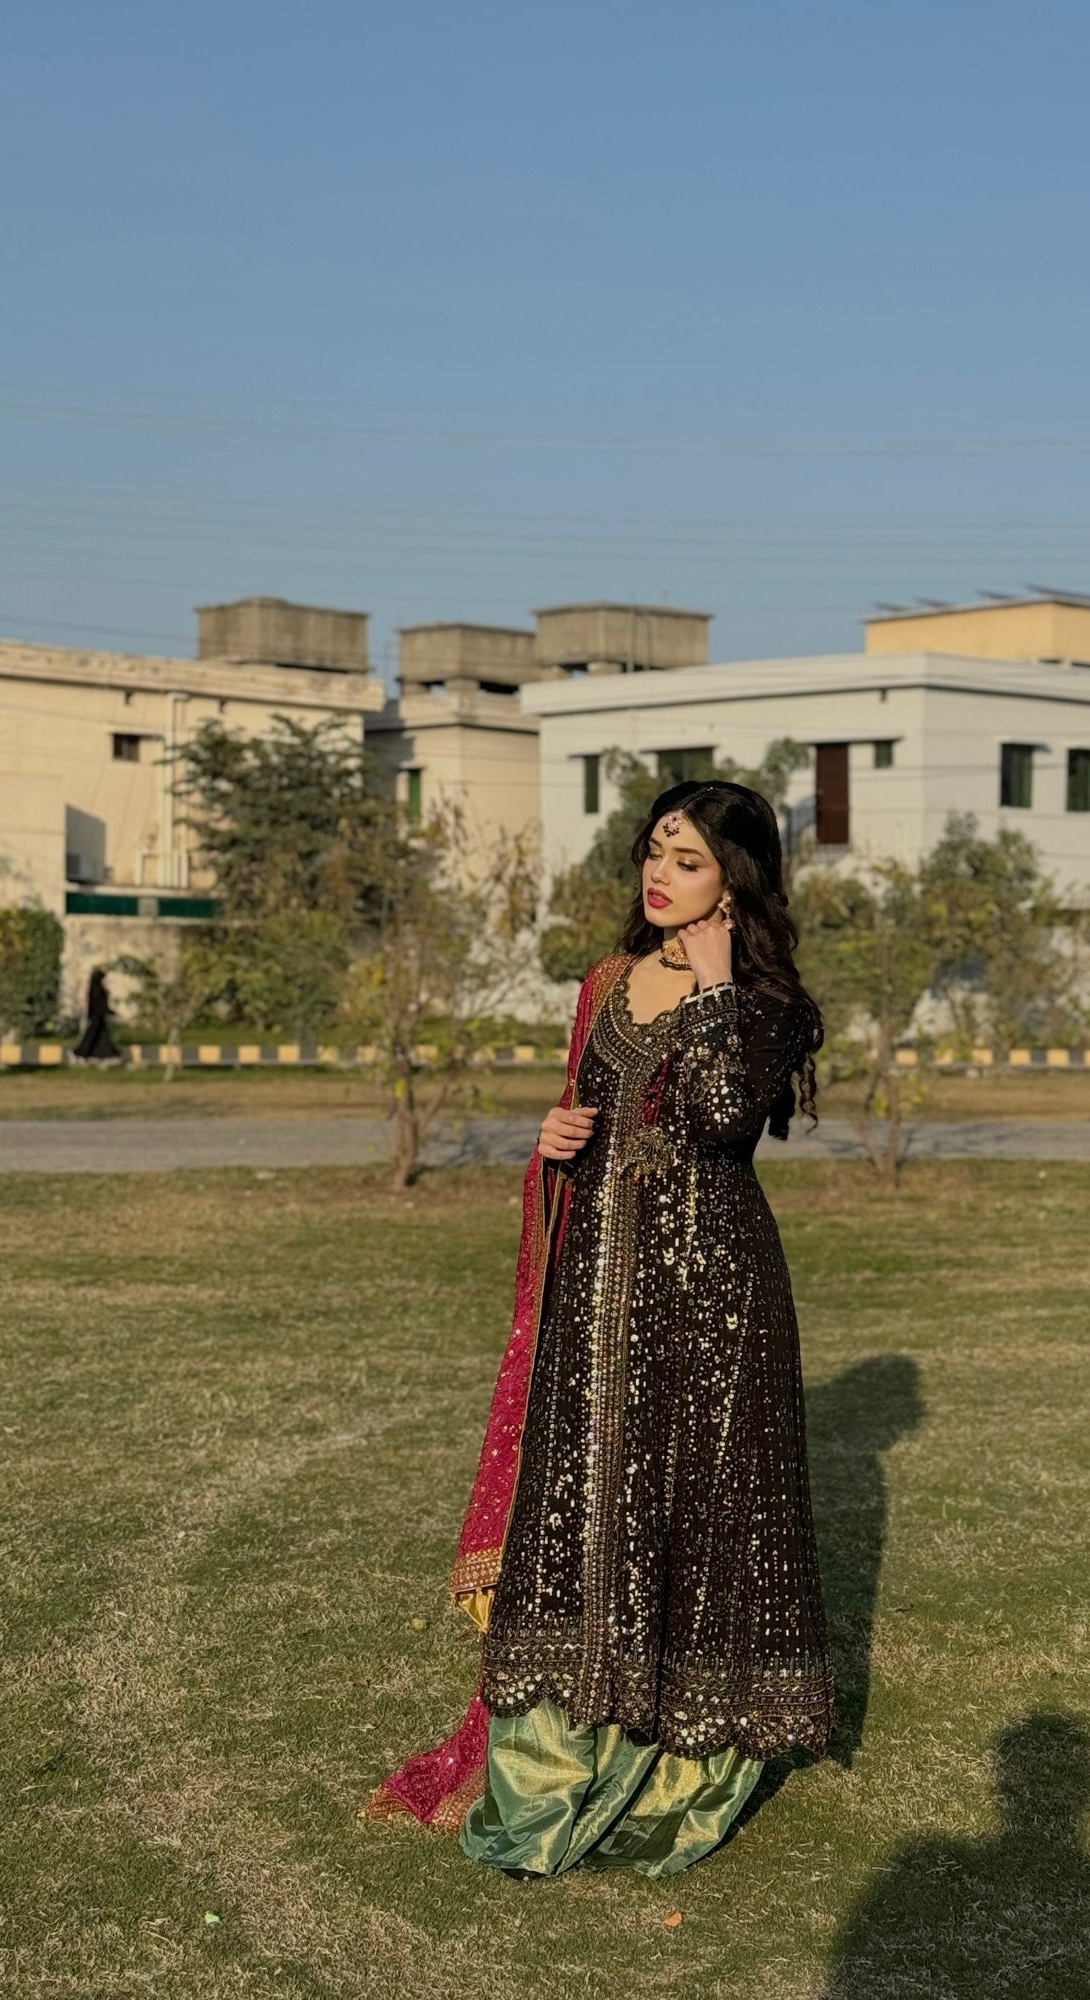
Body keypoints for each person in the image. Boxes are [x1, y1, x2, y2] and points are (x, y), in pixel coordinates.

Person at [362, 779, 833, 1878]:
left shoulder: (768, 1001)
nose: (660, 875)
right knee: (583, 1500)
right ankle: (555, 1757)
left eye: (689, 860)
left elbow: (720, 1117)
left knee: (698, 1512)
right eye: (654, 852)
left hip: (715, 1300)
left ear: (735, 881)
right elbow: (594, 1112)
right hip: (597, 1290)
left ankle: (682, 1767)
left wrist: (716, 987)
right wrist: (554, 1136)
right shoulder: (608, 983)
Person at [71, 966, 118, 1062]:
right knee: (91, 1036)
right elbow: (99, 1003)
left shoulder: (96, 987)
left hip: (98, 1016)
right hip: (96, 1016)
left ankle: (108, 1054)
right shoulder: (97, 988)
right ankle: (79, 1053)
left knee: (102, 1037)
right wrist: (108, 1011)